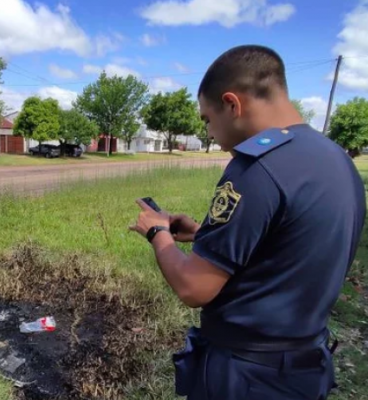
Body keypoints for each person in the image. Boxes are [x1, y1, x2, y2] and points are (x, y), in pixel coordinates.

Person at [130, 45, 366, 400]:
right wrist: (203, 236)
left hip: (249, 375)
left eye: (207, 120)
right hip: (305, 367)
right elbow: (294, 248)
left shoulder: (257, 167)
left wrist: (157, 232)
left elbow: (193, 288)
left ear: (232, 104)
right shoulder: (336, 160)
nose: (209, 133)